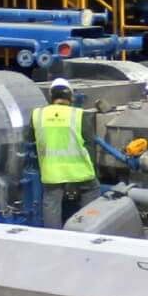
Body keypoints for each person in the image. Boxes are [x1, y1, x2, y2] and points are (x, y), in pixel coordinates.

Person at [33, 78, 96, 227]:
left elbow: (30, 138)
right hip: (79, 170)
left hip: (52, 172)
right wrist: (94, 169)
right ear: (70, 97)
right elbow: (90, 144)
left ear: (51, 96)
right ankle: (88, 226)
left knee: (51, 201)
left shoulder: (38, 114)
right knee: (93, 190)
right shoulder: (79, 114)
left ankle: (54, 235)